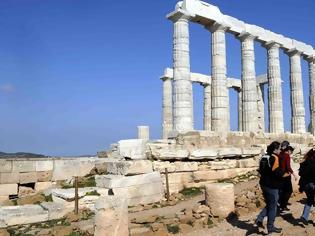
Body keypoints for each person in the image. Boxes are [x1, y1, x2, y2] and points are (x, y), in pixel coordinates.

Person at [255, 141, 289, 234]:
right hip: (272, 185)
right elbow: (277, 172)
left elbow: (260, 170)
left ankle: (259, 219)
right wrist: (285, 174)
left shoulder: (264, 156)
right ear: (275, 149)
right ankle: (270, 227)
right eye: (279, 149)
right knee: (273, 207)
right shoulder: (275, 158)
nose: (280, 150)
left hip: (263, 184)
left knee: (270, 204)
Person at [298, 148, 315, 225]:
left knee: (310, 200)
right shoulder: (313, 163)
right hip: (313, 184)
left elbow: (300, 174)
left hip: (305, 185)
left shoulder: (303, 163)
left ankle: (304, 217)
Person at [278, 145, 297, 211]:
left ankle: (282, 204)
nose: (291, 153)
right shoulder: (287, 156)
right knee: (289, 191)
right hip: (286, 175)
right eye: (291, 152)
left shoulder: (280, 154)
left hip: (280, 175)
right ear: (289, 151)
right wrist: (294, 174)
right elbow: (288, 167)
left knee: (283, 191)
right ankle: (283, 205)